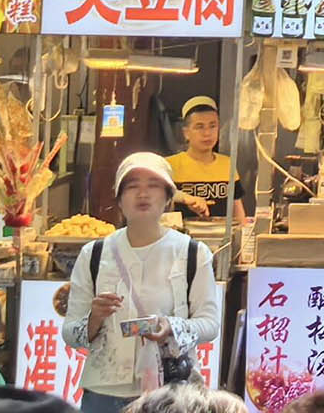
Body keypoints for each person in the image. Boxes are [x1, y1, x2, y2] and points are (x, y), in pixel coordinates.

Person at [65, 153, 219, 413]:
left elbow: (210, 324)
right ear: (120, 199)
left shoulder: (193, 253)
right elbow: (70, 332)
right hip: (104, 394)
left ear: (168, 197)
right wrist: (94, 319)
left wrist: (171, 326)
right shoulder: (94, 254)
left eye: (153, 186)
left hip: (171, 395)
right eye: (132, 186)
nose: (143, 194)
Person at [166, 97, 245, 222]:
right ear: (186, 133)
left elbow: (237, 208)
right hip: (183, 237)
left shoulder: (227, 164)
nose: (207, 133)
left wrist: (243, 231)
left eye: (212, 126)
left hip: (221, 237)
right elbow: (158, 200)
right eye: (199, 127)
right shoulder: (170, 165)